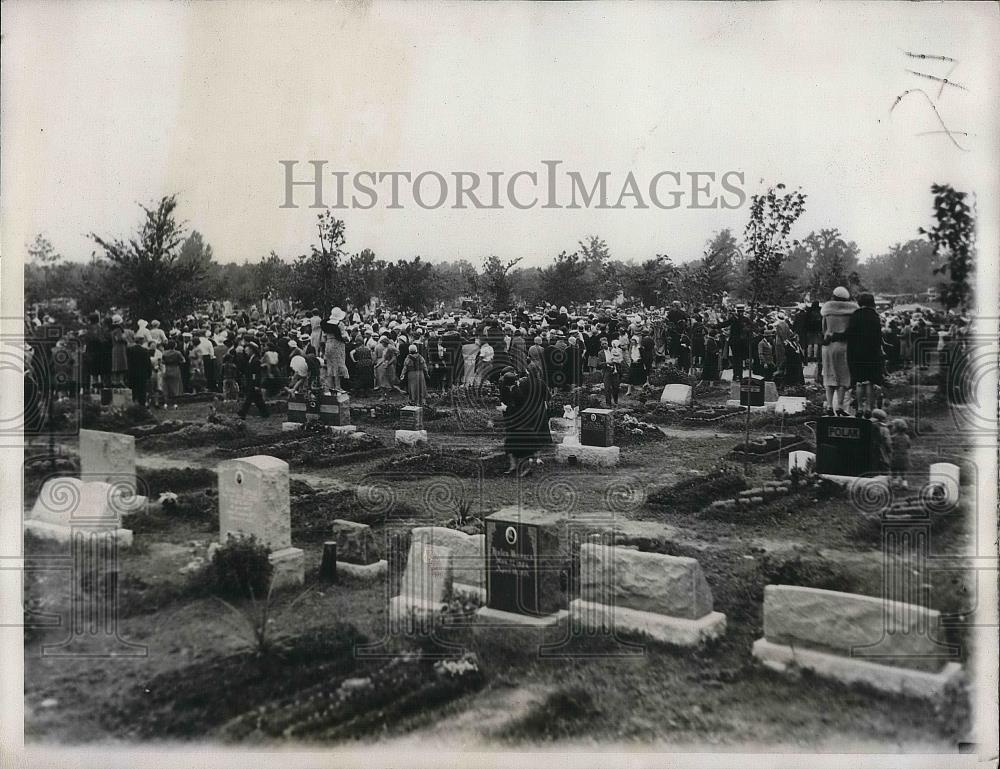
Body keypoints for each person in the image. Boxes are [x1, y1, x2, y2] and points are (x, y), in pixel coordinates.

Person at [821, 286, 859, 415]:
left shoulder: (827, 310)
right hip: (843, 346)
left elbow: (823, 329)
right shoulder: (852, 310)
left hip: (829, 346)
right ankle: (840, 406)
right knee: (843, 377)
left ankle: (829, 405)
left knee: (829, 376)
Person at [846, 292, 884, 418]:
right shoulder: (875, 317)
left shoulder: (855, 315)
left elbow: (850, 335)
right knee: (869, 381)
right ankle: (868, 407)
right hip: (872, 352)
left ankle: (860, 408)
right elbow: (878, 337)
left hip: (857, 353)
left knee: (859, 381)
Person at [237, 342, 270, 418]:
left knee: (250, 398)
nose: (246, 351)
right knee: (258, 399)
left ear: (252, 350)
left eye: (247, 350)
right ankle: (265, 413)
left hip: (253, 381)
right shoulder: (251, 359)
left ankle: (243, 412)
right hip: (251, 381)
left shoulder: (255, 360)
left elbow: (256, 373)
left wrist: (255, 383)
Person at [321, 306, 350, 393]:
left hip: (328, 344)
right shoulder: (339, 324)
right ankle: (338, 386)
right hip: (337, 345)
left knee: (330, 365)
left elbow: (323, 337)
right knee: (338, 365)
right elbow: (344, 337)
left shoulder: (325, 324)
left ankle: (331, 385)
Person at [126, 334, 152, 407]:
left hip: (132, 374)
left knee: (133, 391)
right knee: (142, 391)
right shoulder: (145, 351)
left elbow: (128, 362)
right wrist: (149, 373)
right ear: (141, 341)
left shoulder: (129, 350)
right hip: (142, 374)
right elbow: (148, 363)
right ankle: (142, 406)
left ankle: (133, 405)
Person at [160, 341, 185, 409]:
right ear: (175, 345)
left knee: (166, 387)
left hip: (167, 369)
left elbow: (162, 361)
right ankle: (175, 403)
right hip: (175, 369)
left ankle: (165, 403)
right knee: (175, 387)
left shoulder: (164, 353)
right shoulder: (177, 353)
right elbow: (183, 360)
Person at [890, 418, 912, 488]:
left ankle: (895, 482)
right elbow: (909, 445)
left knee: (894, 470)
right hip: (904, 455)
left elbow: (891, 445)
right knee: (903, 471)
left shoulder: (893, 437)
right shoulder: (907, 437)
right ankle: (904, 483)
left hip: (895, 455)